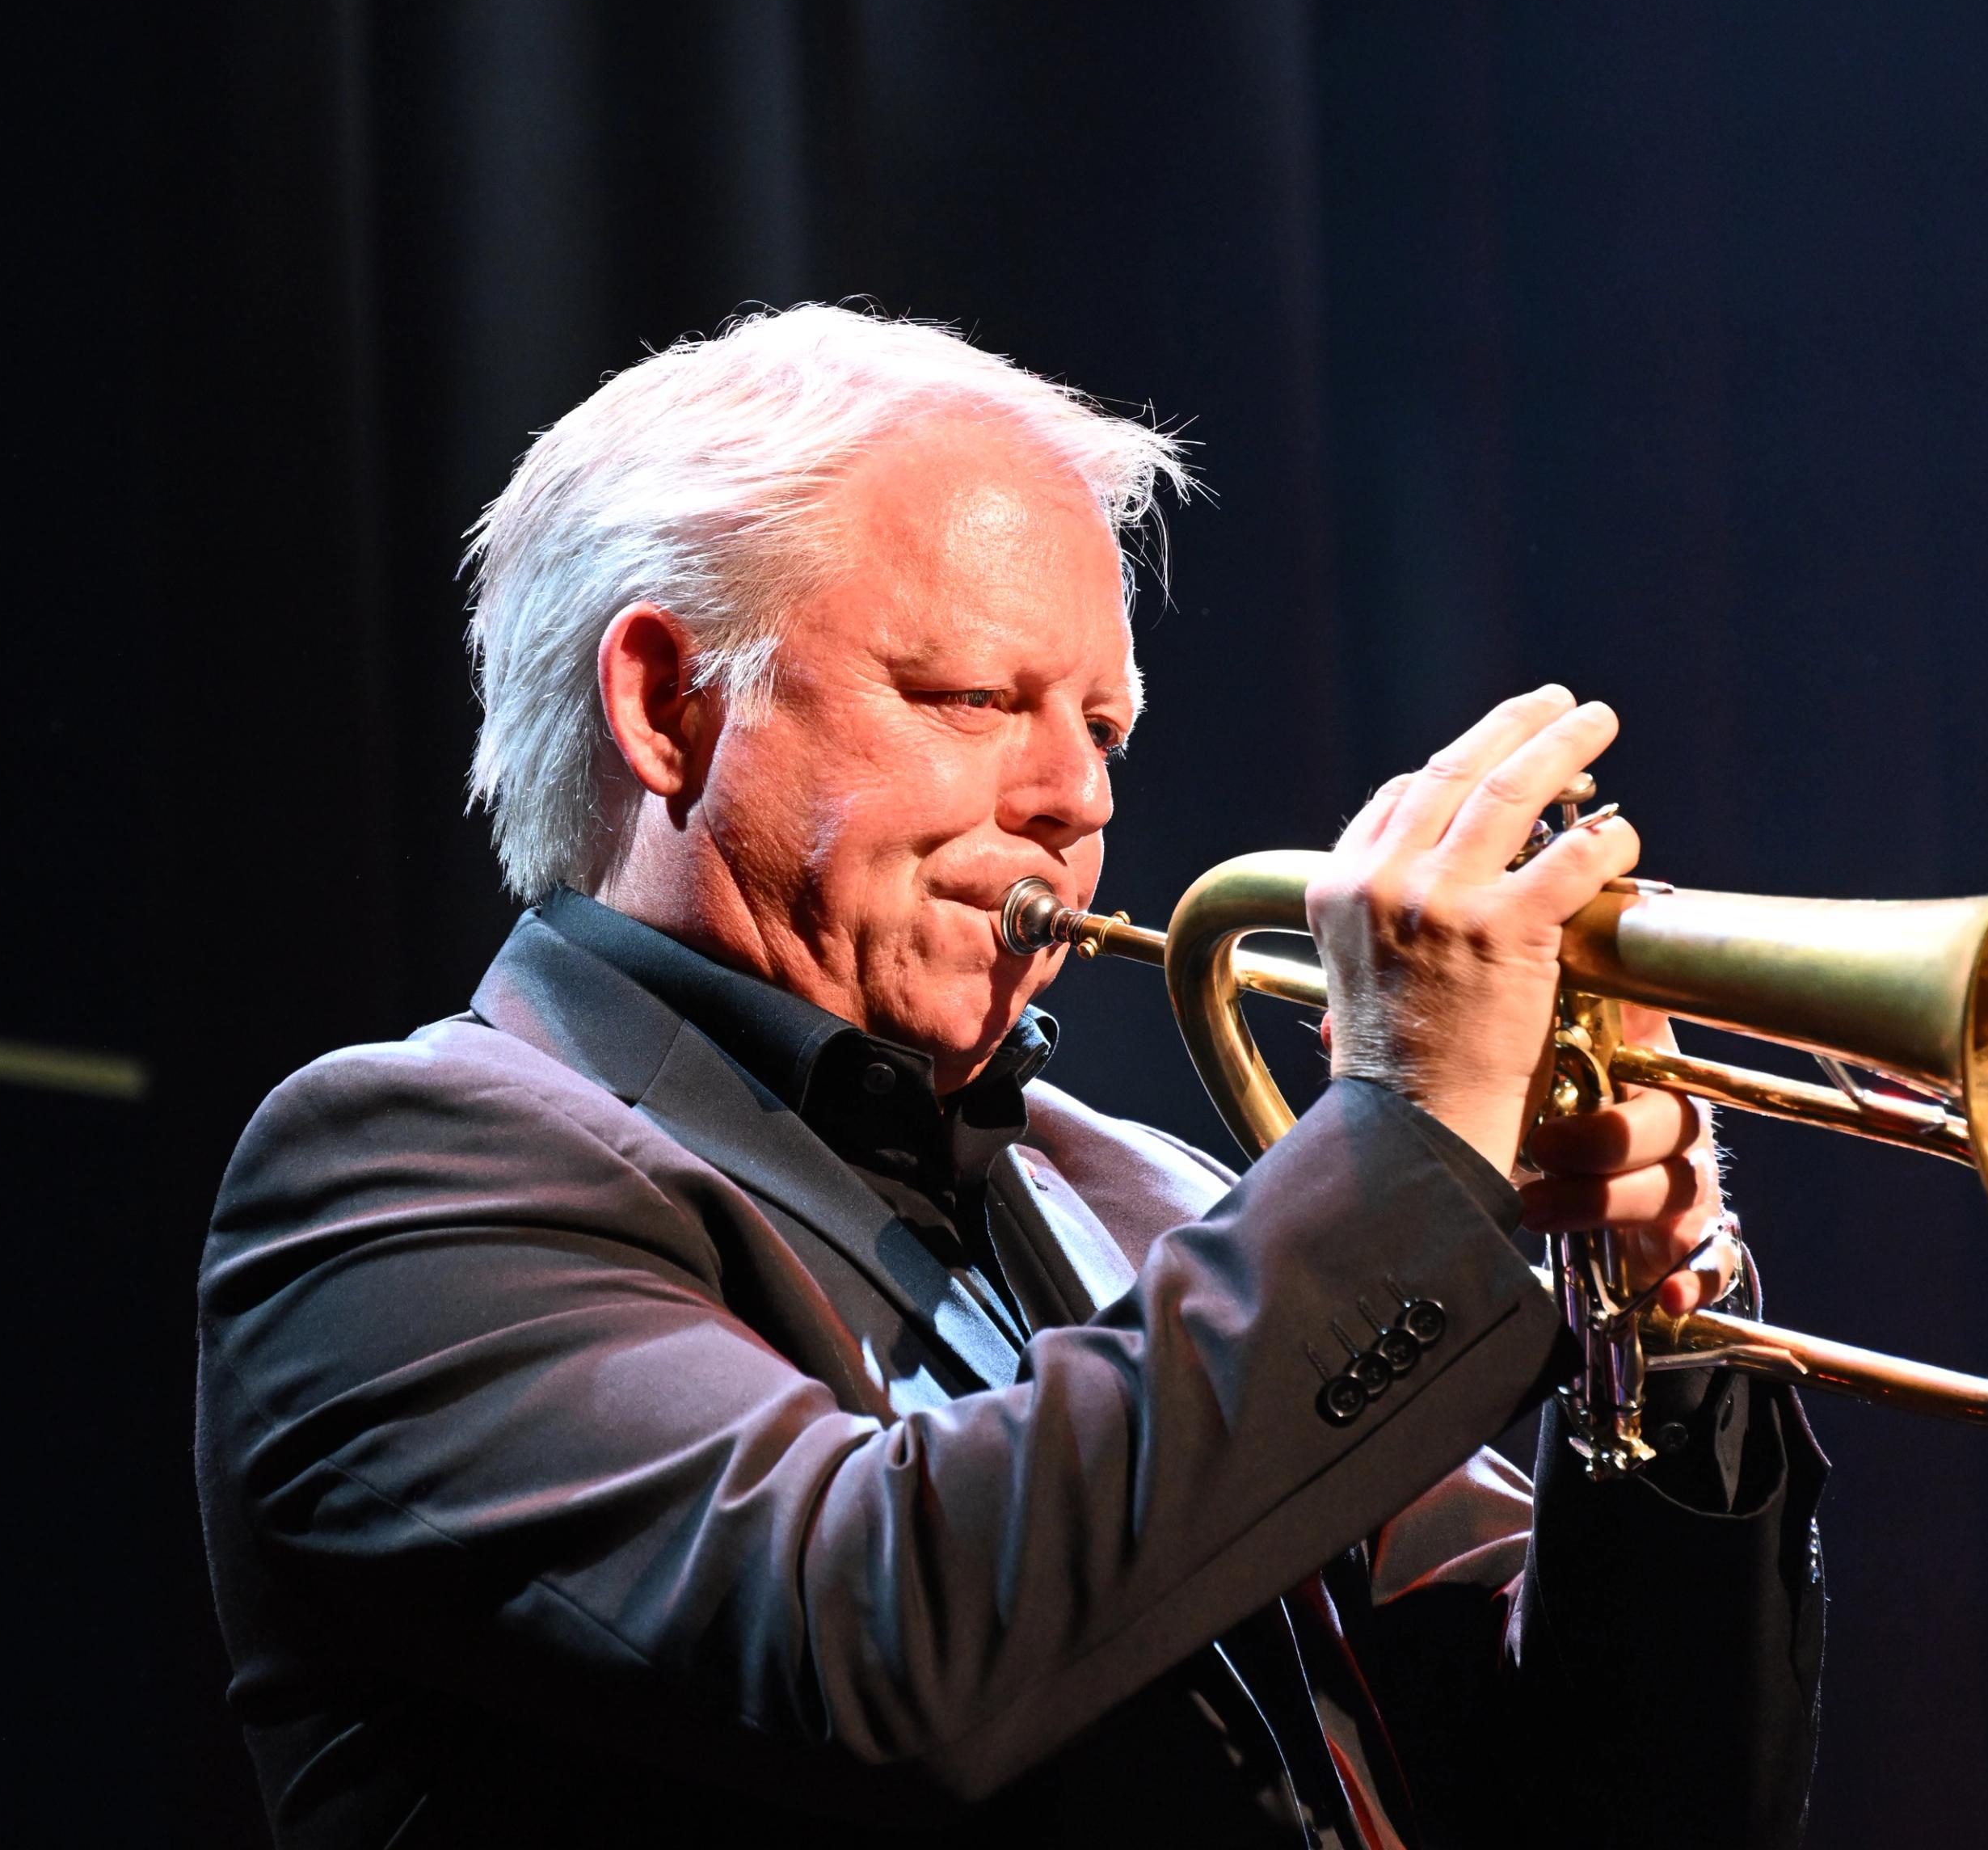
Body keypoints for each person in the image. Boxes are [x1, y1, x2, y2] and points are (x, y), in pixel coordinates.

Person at [196, 306, 1826, 1850]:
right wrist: (1405, 1145)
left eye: (1102, 729)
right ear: (666, 703)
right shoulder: (401, 1180)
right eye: (975, 698)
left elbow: (1614, 1809)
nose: (1077, 797)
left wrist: (1655, 1338)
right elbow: (867, 1638)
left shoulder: (1155, 1195)